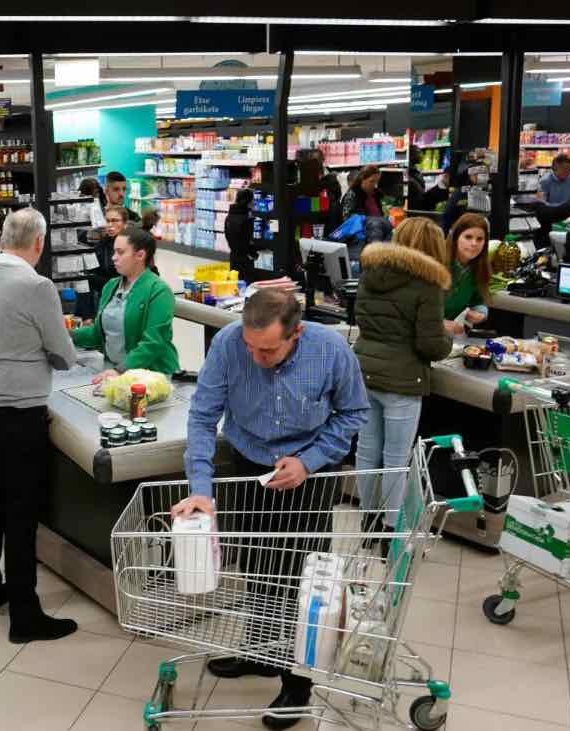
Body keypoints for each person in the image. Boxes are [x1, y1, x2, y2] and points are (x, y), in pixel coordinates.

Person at [173, 288, 369, 730]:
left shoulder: (330, 349)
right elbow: (203, 417)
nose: (256, 357)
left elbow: (352, 413)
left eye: (267, 350)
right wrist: (201, 489)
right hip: (249, 460)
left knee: (300, 575)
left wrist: (309, 461)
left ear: (296, 333)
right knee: (257, 560)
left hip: (311, 467)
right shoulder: (228, 345)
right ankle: (261, 650)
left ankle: (297, 682)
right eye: (250, 346)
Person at [0, 208, 81, 642]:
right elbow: (64, 354)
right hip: (20, 411)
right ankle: (25, 616)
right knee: (22, 510)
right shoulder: (37, 287)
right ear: (38, 243)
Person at [353, 218, 453, 537]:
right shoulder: (428, 284)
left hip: (364, 373)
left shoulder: (371, 272)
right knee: (397, 459)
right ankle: (390, 528)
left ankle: (368, 522)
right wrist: (448, 339)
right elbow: (431, 345)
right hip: (403, 381)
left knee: (367, 451)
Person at [71, 226, 179, 381]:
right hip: (114, 372)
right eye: (114, 251)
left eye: (120, 252)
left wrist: (120, 370)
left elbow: (153, 342)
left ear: (140, 255)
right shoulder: (111, 286)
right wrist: (66, 335)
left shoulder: (159, 291)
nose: (114, 257)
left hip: (152, 376)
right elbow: (97, 333)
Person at [443, 213, 494, 334]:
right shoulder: (437, 264)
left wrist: (480, 312)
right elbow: (413, 307)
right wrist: (438, 323)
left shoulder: (478, 268)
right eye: (468, 237)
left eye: (479, 239)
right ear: (455, 238)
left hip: (450, 338)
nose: (474, 244)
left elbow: (478, 299)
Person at [90, 205, 128, 295]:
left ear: (125, 223)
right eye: (107, 221)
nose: (110, 224)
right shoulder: (101, 244)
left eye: (115, 220)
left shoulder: (132, 244)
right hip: (104, 294)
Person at [224, 188, 256, 279]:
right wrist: (253, 253)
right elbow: (248, 240)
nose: (254, 202)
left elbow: (227, 235)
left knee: (235, 284)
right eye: (253, 200)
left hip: (233, 257)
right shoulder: (246, 219)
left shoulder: (229, 217)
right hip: (245, 260)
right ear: (248, 202)